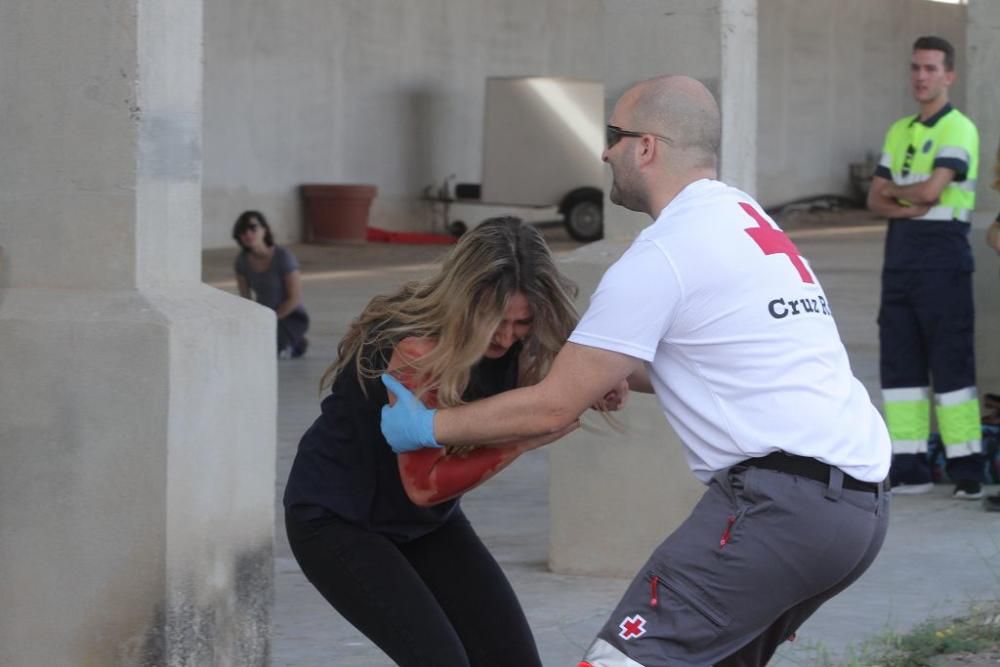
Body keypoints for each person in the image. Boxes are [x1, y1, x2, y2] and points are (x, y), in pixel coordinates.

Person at [381, 75, 891, 667]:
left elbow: (553, 405)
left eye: (614, 135)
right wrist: (608, 371)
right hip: (858, 513)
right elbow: (716, 358)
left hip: (779, 510)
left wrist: (431, 427)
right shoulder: (748, 222)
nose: (604, 152)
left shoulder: (664, 253)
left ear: (647, 147)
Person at [283, 217, 620, 667]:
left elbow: (603, 361)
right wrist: (523, 438)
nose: (506, 336)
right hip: (339, 518)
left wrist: (604, 381)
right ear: (466, 300)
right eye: (496, 320)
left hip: (425, 522)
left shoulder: (524, 339)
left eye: (522, 322)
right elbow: (424, 485)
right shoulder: (416, 349)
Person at [866, 36, 983, 499]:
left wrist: (898, 195)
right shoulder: (899, 131)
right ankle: (908, 466)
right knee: (900, 365)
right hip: (900, 258)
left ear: (949, 75)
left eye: (931, 68)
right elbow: (873, 198)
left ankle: (967, 469)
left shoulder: (959, 129)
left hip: (943, 257)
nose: (921, 76)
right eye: (916, 67)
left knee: (951, 363)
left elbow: (933, 192)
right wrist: (902, 203)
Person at [232, 210, 310, 358]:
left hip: (290, 316)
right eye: (242, 231)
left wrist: (271, 319)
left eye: (253, 228)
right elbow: (245, 298)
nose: (248, 234)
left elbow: (294, 298)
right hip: (263, 315)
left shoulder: (283, 257)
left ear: (264, 230)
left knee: (268, 351)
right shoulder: (241, 261)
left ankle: (295, 342)